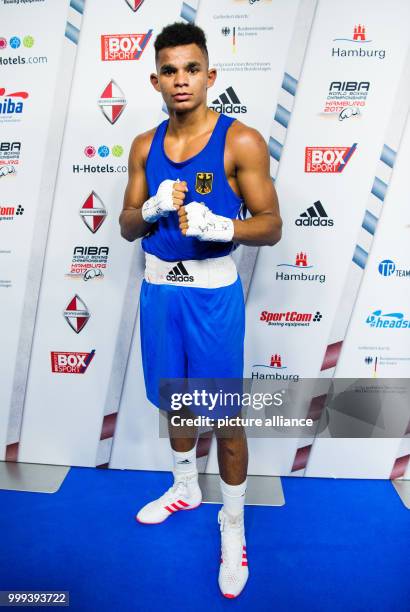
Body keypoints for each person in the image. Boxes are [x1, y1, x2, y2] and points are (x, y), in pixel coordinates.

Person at [119, 22, 282, 599]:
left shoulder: (241, 141)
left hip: (212, 296)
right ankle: (185, 485)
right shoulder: (143, 145)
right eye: (170, 70)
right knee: (176, 397)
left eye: (192, 69)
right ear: (155, 79)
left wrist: (224, 226)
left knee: (227, 417)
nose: (181, 80)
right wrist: (153, 209)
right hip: (160, 291)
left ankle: (232, 525)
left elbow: (273, 225)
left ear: (210, 76)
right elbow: (125, 225)